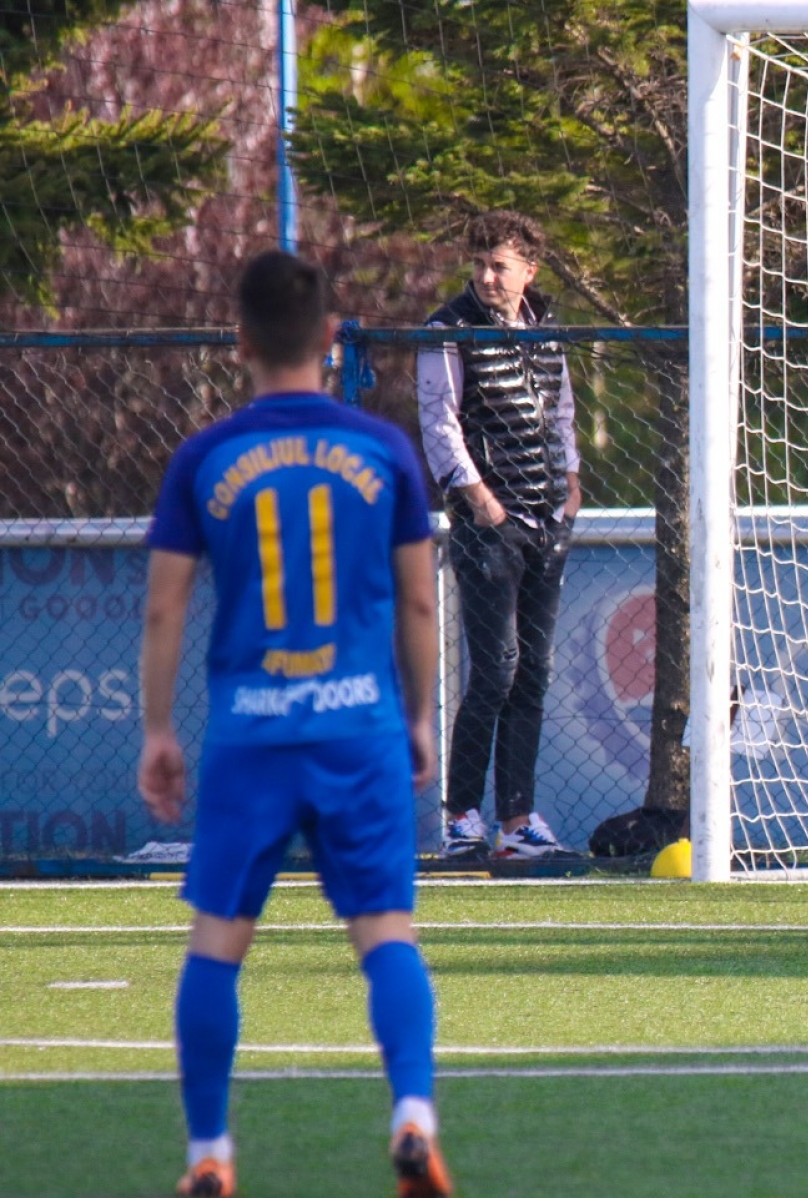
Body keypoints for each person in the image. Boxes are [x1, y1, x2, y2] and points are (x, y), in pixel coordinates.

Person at [139, 251, 451, 1196]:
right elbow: (419, 601)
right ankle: (411, 1114)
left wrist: (158, 730)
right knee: (385, 933)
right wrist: (421, 715)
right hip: (358, 728)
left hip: (251, 736)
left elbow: (163, 608)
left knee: (217, 945)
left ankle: (208, 1153)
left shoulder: (203, 458)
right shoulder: (383, 450)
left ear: (238, 342)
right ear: (331, 338)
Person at [418, 210, 582, 859]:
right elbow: (439, 421)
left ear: (528, 271)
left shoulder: (546, 327)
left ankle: (517, 822)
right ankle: (462, 816)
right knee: (495, 670)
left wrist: (571, 482)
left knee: (533, 672)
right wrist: (479, 498)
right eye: (479, 264)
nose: (487, 277)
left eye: (500, 265)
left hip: (547, 517)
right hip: (489, 524)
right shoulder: (447, 329)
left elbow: (562, 410)